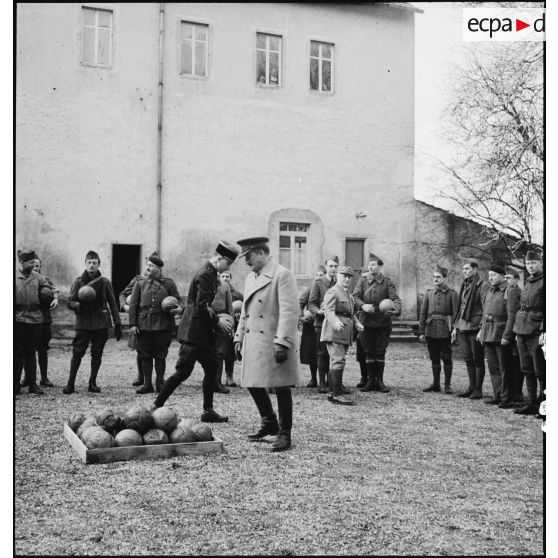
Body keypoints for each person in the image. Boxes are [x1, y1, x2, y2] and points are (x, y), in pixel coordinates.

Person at [152, 241, 239, 422]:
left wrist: (213, 324)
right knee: (182, 372)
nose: (228, 268)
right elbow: (201, 306)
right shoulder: (206, 275)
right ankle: (155, 406)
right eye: (228, 264)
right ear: (219, 258)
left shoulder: (211, 273)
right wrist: (218, 322)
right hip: (193, 333)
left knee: (212, 366)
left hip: (202, 334)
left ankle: (208, 411)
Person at [233, 237, 300, 452]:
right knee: (251, 381)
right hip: (254, 340)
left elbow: (290, 312)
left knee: (281, 385)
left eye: (249, 256)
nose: (246, 261)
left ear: (261, 253)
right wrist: (239, 336)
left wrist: (282, 342)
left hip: (273, 339)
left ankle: (285, 434)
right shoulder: (251, 278)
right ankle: (269, 421)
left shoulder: (282, 274)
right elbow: (245, 310)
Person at [63, 250, 122, 394]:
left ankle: (92, 383)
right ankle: (70, 384)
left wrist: (118, 323)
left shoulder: (104, 282)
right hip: (83, 322)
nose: (91, 265)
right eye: (89, 262)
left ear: (99, 264)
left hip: (101, 322)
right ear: (85, 264)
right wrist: (79, 305)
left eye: (94, 263)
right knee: (77, 352)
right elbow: (69, 302)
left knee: (97, 353)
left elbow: (113, 303)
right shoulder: (78, 282)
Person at [128, 253, 183, 394]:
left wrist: (179, 308)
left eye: (151, 266)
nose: (148, 268)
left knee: (160, 355)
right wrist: (133, 325)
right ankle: (147, 384)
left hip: (163, 324)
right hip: (144, 324)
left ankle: (159, 383)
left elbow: (179, 301)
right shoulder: (140, 283)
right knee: (145, 355)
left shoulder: (169, 283)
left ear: (159, 268)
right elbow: (133, 305)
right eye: (147, 265)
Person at [353, 253, 401, 393]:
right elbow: (355, 296)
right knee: (368, 351)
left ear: (380, 266)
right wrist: (362, 306)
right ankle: (369, 381)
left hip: (382, 323)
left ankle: (379, 381)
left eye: (373, 265)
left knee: (380, 351)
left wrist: (396, 309)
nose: (371, 267)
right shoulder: (362, 281)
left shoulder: (387, 282)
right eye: (369, 265)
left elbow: (396, 299)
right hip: (366, 322)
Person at [477, 263, 520, 406]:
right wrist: (481, 331)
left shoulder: (509, 290)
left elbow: (512, 315)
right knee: (493, 368)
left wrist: (507, 336)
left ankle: (507, 398)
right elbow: (485, 313)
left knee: (505, 368)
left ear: (502, 276)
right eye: (489, 275)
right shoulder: (490, 291)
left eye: (493, 275)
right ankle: (498, 396)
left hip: (501, 334)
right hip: (489, 333)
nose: (490, 278)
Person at [15, 250, 57, 395]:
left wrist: (46, 291)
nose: (33, 265)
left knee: (31, 352)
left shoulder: (38, 277)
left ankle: (33, 385)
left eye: (34, 262)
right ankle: (15, 385)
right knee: (18, 353)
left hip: (35, 320)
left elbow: (49, 288)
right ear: (21, 262)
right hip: (18, 320)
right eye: (31, 262)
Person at [320, 266, 363, 405]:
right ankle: (337, 394)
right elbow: (329, 311)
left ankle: (333, 393)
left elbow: (350, 313)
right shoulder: (332, 292)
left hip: (345, 332)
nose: (347, 279)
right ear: (337, 276)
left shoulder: (348, 294)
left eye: (349, 277)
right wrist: (335, 322)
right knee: (338, 360)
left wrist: (356, 323)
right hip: (335, 331)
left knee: (337, 361)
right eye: (343, 275)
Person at [513, 251, 545, 415]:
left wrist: (544, 331)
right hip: (522, 329)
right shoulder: (528, 282)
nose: (530, 266)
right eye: (528, 263)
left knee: (541, 371)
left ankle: (545, 407)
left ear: (541, 263)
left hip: (536, 331)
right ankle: (532, 403)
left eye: (534, 263)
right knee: (527, 369)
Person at [451, 260, 488, 400]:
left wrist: (482, 328)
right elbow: (461, 308)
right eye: (463, 269)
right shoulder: (464, 284)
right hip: (462, 327)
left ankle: (478, 390)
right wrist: (455, 327)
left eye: (467, 268)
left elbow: (486, 308)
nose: (464, 271)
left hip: (475, 327)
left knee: (477, 359)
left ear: (475, 269)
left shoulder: (482, 285)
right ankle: (471, 387)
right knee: (468, 359)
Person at [418, 266, 458, 394]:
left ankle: (447, 385)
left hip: (445, 329)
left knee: (447, 357)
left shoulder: (452, 293)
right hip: (430, 329)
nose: (435, 279)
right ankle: (436, 384)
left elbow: (457, 314)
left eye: (438, 277)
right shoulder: (429, 293)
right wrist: (422, 331)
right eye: (434, 277)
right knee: (434, 358)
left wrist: (455, 329)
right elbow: (423, 313)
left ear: (445, 278)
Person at [308, 257, 339, 393]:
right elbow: (311, 304)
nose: (333, 269)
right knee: (322, 353)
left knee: (336, 354)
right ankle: (321, 384)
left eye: (335, 266)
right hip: (321, 323)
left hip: (337, 322)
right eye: (331, 266)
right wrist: (319, 312)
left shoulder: (339, 283)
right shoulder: (318, 283)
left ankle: (334, 382)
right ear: (326, 267)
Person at [299, 266, 325, 388]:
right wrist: (301, 317)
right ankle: (313, 378)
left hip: (324, 325)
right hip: (310, 326)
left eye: (322, 275)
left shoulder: (327, 289)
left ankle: (326, 380)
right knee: (312, 353)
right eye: (318, 275)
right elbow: (300, 303)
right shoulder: (310, 289)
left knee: (324, 353)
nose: (319, 278)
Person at [503, 267, 525, 405]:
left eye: (509, 278)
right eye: (505, 278)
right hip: (517, 330)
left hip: (512, 332)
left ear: (516, 280)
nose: (507, 280)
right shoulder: (516, 290)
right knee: (516, 365)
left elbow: (512, 315)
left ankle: (512, 395)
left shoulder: (512, 290)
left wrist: (506, 335)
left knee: (511, 365)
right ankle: (516, 394)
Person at [219, 271, 243, 387]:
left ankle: (229, 377)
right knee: (218, 352)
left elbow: (244, 308)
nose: (225, 278)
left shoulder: (237, 294)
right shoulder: (216, 291)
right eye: (222, 276)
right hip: (219, 325)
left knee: (230, 353)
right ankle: (216, 379)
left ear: (230, 278)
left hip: (233, 326)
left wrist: (239, 314)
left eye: (227, 276)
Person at [211, 273, 234, 394]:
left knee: (220, 353)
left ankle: (217, 383)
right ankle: (209, 382)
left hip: (223, 320)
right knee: (207, 353)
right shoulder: (205, 283)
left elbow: (230, 307)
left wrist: (231, 326)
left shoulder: (225, 286)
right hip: (207, 320)